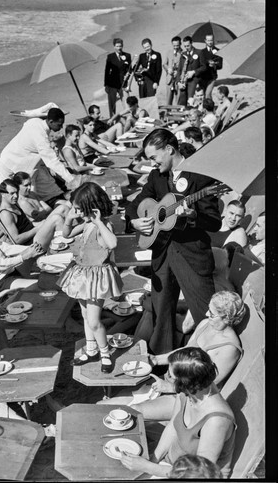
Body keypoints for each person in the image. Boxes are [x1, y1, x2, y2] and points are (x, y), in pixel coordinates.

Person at [126, 129, 221, 354]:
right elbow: (134, 206)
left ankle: (211, 362)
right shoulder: (157, 176)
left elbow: (214, 223)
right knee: (161, 312)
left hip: (191, 255)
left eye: (154, 157)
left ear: (169, 150)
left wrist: (194, 216)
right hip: (162, 252)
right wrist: (134, 222)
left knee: (204, 314)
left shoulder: (200, 176)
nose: (152, 163)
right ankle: (161, 360)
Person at [101, 291, 244, 420]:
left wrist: (171, 388)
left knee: (130, 412)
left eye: (212, 313)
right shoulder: (206, 324)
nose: (207, 314)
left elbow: (207, 385)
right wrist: (156, 360)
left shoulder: (229, 349)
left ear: (227, 318)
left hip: (185, 396)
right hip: (166, 382)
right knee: (103, 406)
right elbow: (185, 350)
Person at [119, 347, 236, 478]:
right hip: (170, 465)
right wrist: (153, 460)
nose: (167, 378)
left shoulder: (216, 421)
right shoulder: (189, 393)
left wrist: (148, 468)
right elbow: (172, 429)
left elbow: (200, 472)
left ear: (186, 383)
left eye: (171, 376)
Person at [57, 183, 123, 373]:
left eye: (79, 209)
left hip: (97, 278)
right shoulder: (86, 224)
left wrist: (99, 222)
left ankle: (105, 353)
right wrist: (69, 218)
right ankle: (92, 348)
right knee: (86, 315)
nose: (76, 212)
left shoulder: (104, 225)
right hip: (83, 275)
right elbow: (66, 234)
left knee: (94, 320)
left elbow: (112, 243)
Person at [0, 107, 82, 192]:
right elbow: (52, 161)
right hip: (9, 162)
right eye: (59, 125)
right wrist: (71, 179)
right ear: (51, 122)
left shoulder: (35, 121)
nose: (61, 127)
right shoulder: (41, 138)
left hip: (13, 157)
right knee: (7, 192)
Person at [0, 179, 63, 251]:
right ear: (2, 194)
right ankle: (65, 245)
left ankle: (65, 243)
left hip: (35, 234)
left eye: (16, 192)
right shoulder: (5, 214)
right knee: (57, 218)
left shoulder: (13, 204)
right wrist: (37, 228)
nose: (15, 196)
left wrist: (39, 224)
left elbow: (25, 225)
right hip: (31, 244)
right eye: (12, 193)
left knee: (63, 208)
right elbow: (16, 239)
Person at [104, 38, 131, 117]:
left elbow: (130, 69)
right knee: (112, 105)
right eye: (117, 46)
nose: (119, 48)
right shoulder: (110, 57)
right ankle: (112, 119)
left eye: (120, 46)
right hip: (112, 84)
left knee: (126, 103)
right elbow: (107, 71)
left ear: (122, 46)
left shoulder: (127, 56)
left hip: (124, 83)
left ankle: (128, 118)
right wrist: (106, 85)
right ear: (114, 47)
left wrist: (128, 75)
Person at [176, 36, 206, 106]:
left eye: (188, 46)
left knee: (191, 102)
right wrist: (178, 83)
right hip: (183, 82)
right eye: (185, 46)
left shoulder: (199, 52)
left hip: (194, 81)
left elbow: (204, 67)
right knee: (182, 102)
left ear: (192, 43)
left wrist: (194, 72)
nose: (186, 48)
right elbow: (179, 70)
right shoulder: (183, 54)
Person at [199, 34, 223, 99]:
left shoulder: (218, 51)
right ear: (205, 41)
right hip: (203, 77)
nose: (210, 42)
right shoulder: (202, 52)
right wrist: (207, 63)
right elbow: (200, 63)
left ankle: (210, 108)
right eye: (208, 40)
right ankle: (208, 108)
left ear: (213, 40)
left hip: (212, 77)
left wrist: (214, 65)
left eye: (211, 40)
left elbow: (220, 65)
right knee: (205, 95)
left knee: (207, 94)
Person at [162, 36, 182, 105]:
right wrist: (168, 69)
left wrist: (178, 72)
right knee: (168, 100)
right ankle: (168, 113)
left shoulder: (183, 53)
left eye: (177, 45)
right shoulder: (169, 52)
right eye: (174, 45)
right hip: (169, 80)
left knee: (178, 100)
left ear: (180, 44)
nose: (176, 47)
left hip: (178, 80)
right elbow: (164, 64)